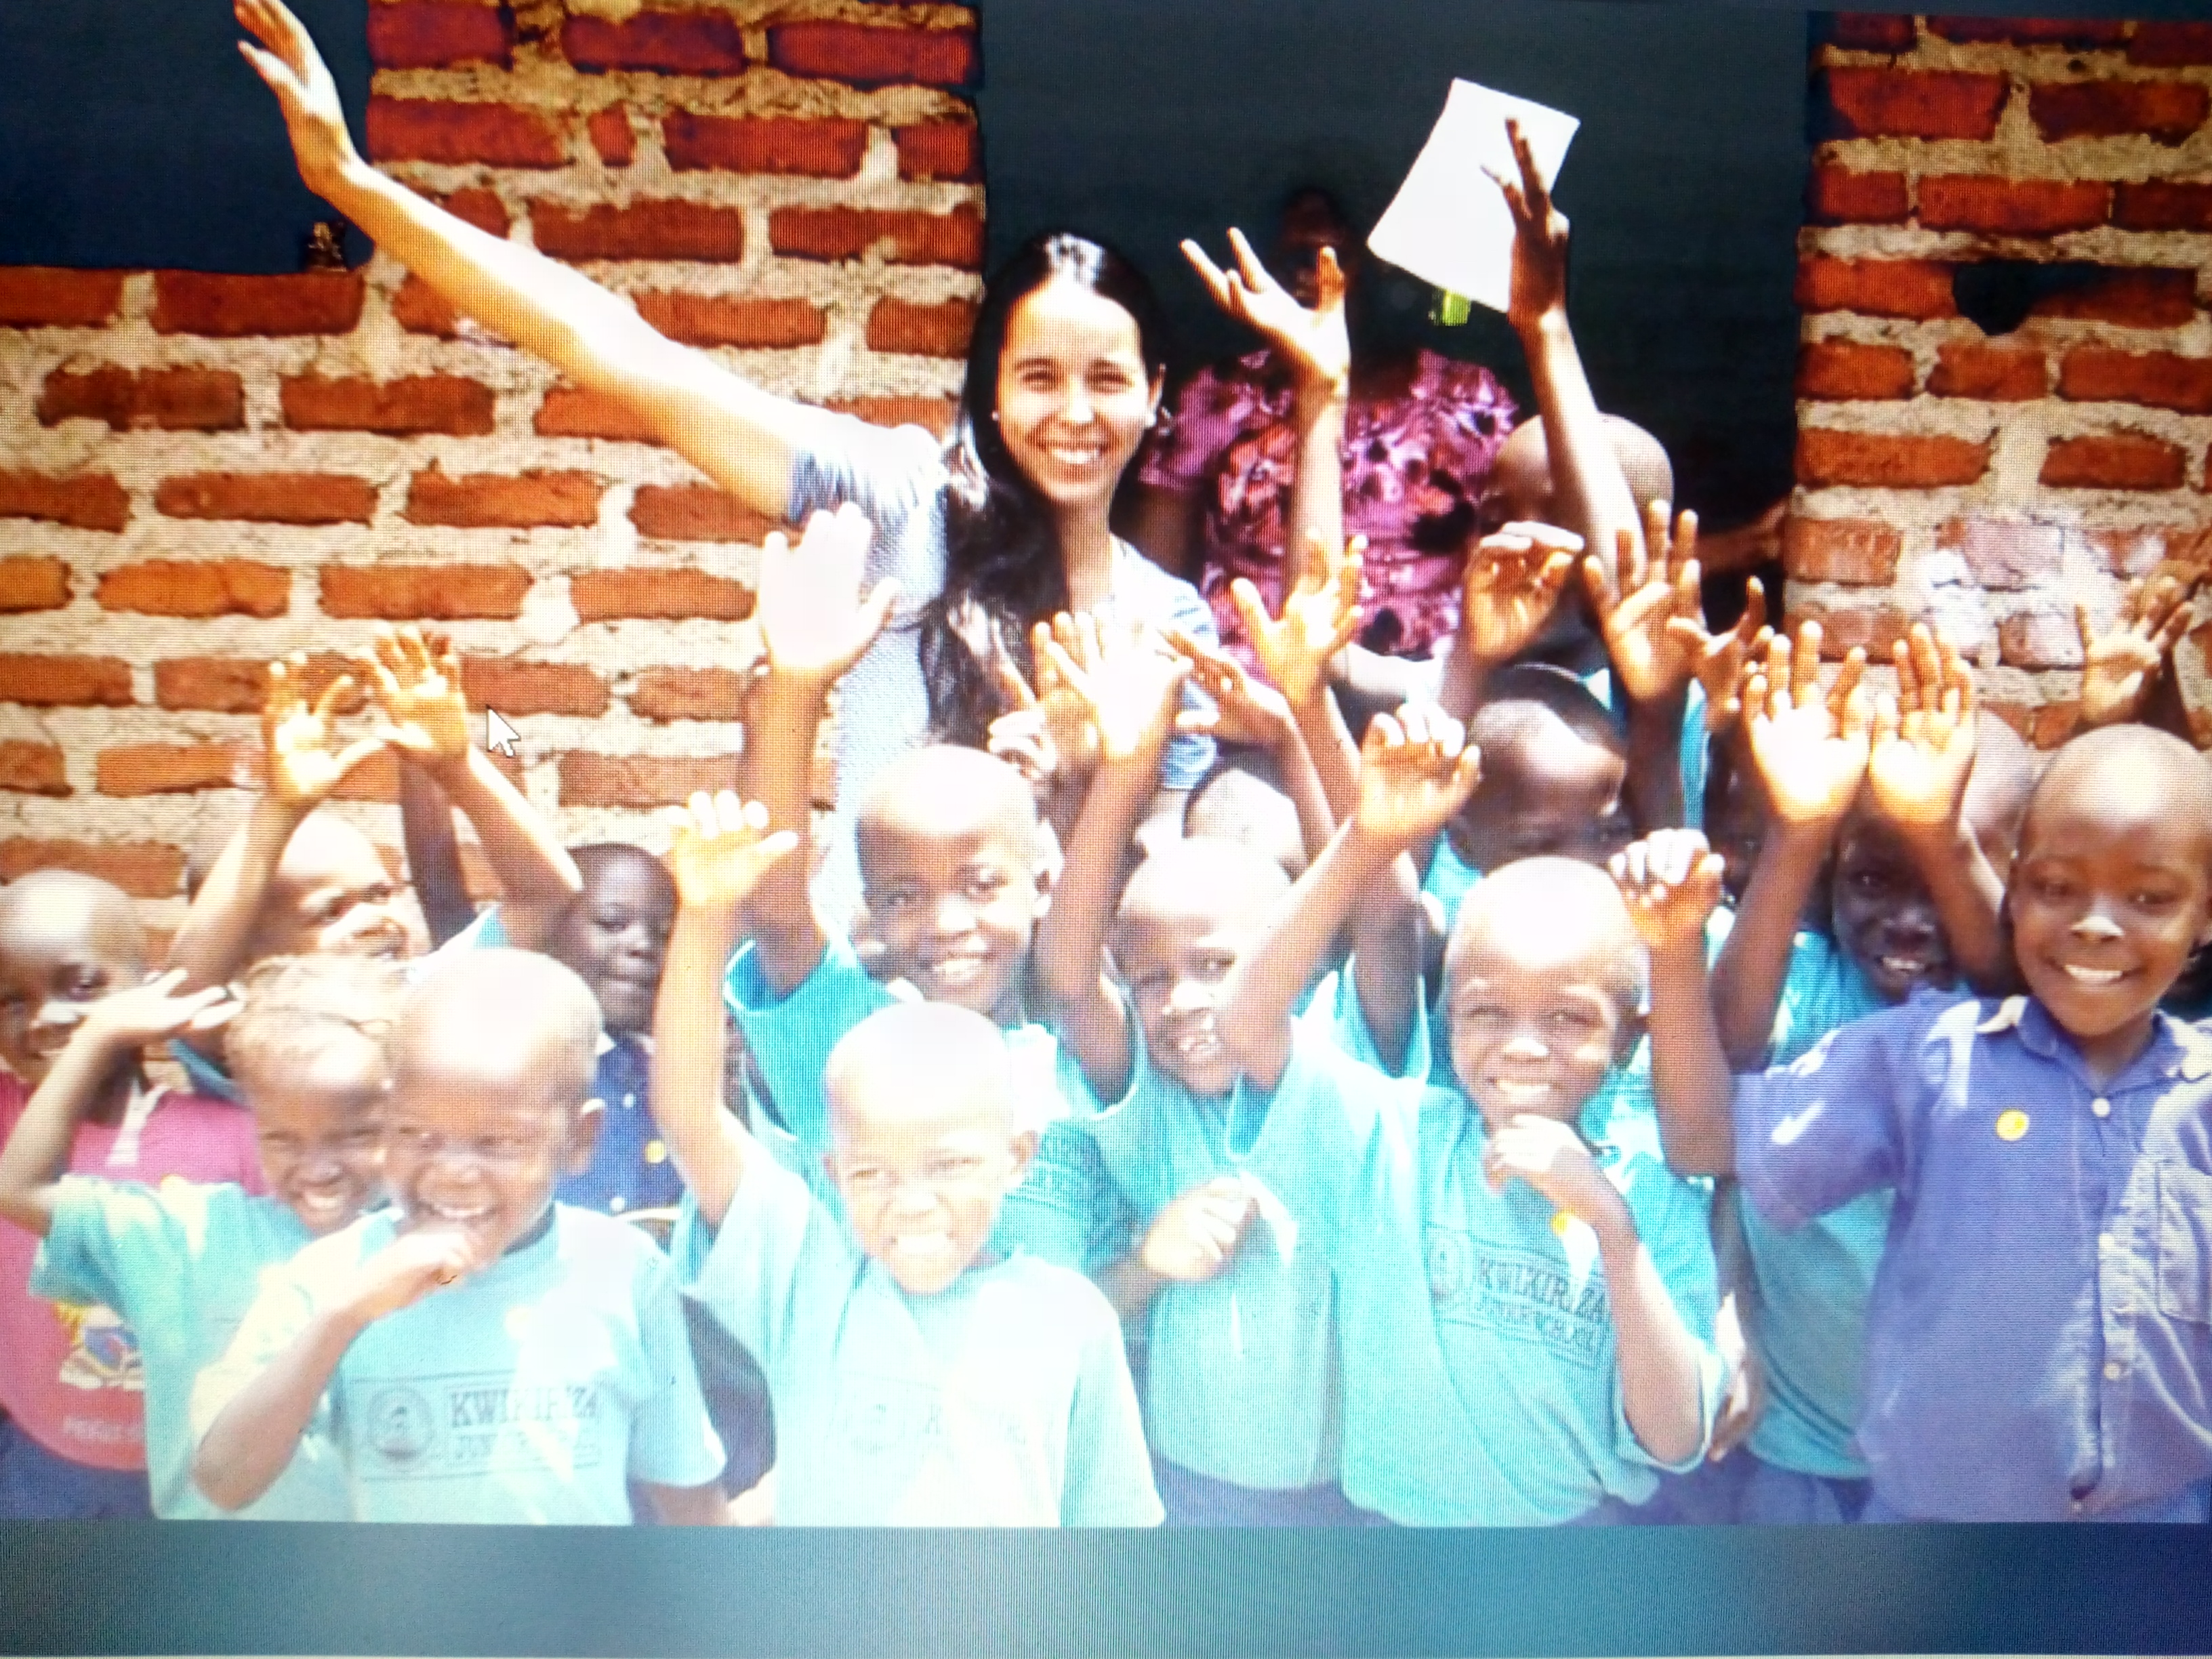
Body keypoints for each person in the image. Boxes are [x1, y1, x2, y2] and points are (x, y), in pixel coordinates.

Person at [237, 0, 1353, 919]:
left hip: (1042, 1035)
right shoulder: (898, 499)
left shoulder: (1169, 620)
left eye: (1107, 380)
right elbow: (617, 352)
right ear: (993, 397)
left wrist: (1323, 398)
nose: (1073, 413)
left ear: (1156, 399)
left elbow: (1175, 841)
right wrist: (354, 188)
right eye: (1037, 377)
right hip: (855, 994)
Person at [1637, 723, 2212, 1522]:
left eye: (2149, 898)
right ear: (2011, 892)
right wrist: (1670, 953)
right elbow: (1703, 1140)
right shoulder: (1931, 1061)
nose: (2097, 926)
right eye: (2057, 888)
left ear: (2206, 916)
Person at [1215, 718, 1723, 1525]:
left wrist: (1613, 1233)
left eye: (1568, 1020)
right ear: (1446, 1020)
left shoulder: (1653, 1200)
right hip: (1389, 1542)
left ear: (1628, 1043)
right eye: (1486, 1012)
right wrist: (1365, 839)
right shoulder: (1392, 1141)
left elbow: (1674, 1439)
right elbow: (1244, 1020)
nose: (1522, 1047)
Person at [650, 794, 1162, 1525]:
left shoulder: (1071, 1316)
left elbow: (1112, 1528)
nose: (912, 1202)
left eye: (949, 1166)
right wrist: (702, 917)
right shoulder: (808, 1290)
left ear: (1015, 1158)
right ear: (833, 1173)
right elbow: (692, 1117)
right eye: (873, 1174)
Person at [1664, 622, 2031, 1522]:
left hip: (1960, 1466)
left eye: (1940, 880)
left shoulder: (2018, 1013)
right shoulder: (1812, 979)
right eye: (1872, 881)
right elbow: (1723, 1050)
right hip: (1794, 1442)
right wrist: (1799, 830)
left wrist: (1940, 834)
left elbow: (2017, 994)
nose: (1905, 922)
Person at [725, 505, 1130, 1271]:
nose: (947, 922)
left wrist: (1094, 782)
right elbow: (778, 917)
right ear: (871, 909)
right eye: (905, 897)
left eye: (980, 884)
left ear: (1042, 882)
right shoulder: (853, 1038)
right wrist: (794, 695)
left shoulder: (1083, 1046)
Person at [189, 949, 728, 1523]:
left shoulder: (623, 1269)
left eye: (497, 1144)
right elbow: (224, 1480)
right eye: (416, 1134)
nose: (453, 1171)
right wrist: (346, 1316)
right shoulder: (336, 1278)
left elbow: (685, 1488)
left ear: (579, 1139)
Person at [0, 954, 403, 1519]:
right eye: (283, 1139)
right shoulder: (187, 1237)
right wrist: (101, 1037)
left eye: (358, 1135)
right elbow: (19, 1190)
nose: (318, 1167)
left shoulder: (428, 1251)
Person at [165, 628, 583, 1099]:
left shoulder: (430, 995)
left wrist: (457, 768)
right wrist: (279, 811)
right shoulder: (257, 1038)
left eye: (378, 895)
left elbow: (548, 895)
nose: (373, 920)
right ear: (248, 957)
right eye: (330, 911)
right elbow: (184, 990)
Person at [1129, 186, 1517, 665]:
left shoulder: (1469, 398)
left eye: (1328, 256)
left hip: (1432, 699)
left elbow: (1517, 566)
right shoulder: (1219, 396)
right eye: (1291, 260)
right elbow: (1150, 584)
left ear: (1378, 266)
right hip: (1253, 693)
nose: (1308, 277)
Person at [0, 872, 263, 1519]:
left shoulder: (233, 1136)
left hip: (193, 1470)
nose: (42, 1019)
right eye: (9, 1001)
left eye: (82, 986)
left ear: (145, 987)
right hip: (43, 1465)